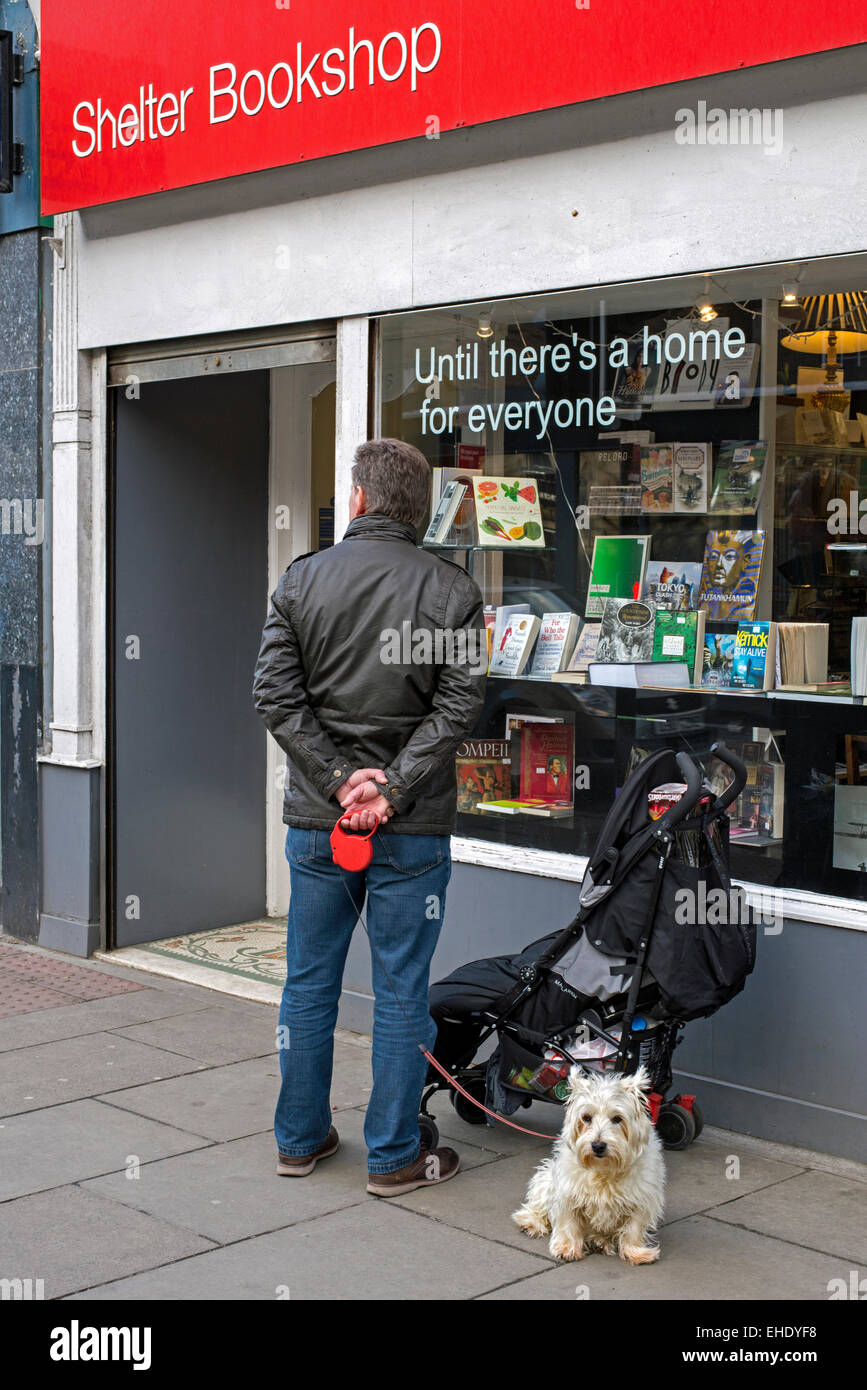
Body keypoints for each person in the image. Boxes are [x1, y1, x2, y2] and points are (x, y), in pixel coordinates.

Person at [252, 438, 486, 1197]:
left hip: (319, 824)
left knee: (309, 983)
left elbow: (276, 698)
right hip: (410, 831)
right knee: (399, 990)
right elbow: (458, 707)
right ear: (419, 509)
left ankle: (298, 1139)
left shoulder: (302, 580)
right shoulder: (452, 590)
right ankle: (392, 1156)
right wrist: (392, 792)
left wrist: (336, 779)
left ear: (357, 500)